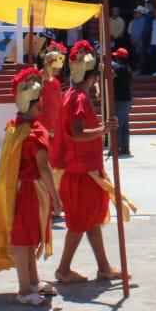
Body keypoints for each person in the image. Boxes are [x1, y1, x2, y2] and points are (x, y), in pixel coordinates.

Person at [0, 67, 63, 304]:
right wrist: (56, 199)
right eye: (39, 102)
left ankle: (33, 281)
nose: (42, 106)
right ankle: (24, 289)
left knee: (30, 238)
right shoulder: (31, 132)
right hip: (29, 190)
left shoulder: (15, 126)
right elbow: (43, 168)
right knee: (23, 238)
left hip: (24, 189)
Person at [55, 41, 126, 285]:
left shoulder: (75, 96)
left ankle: (104, 267)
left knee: (91, 220)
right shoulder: (78, 99)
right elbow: (77, 133)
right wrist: (103, 129)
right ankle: (63, 269)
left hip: (86, 169)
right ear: (92, 75)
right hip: (81, 170)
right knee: (79, 223)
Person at [40, 43, 68, 180]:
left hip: (52, 122)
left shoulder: (53, 81)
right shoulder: (44, 80)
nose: (57, 72)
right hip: (44, 122)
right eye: (56, 69)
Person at [111, 48, 133, 156]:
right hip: (127, 99)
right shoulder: (128, 69)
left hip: (121, 100)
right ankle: (125, 147)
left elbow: (111, 72)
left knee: (118, 124)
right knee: (124, 125)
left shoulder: (119, 68)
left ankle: (116, 147)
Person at [128, 6, 147, 72]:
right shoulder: (135, 20)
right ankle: (137, 69)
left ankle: (141, 70)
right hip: (134, 42)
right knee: (135, 56)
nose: (135, 13)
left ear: (141, 13)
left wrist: (137, 40)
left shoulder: (144, 20)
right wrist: (132, 40)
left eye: (137, 12)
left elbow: (142, 31)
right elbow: (132, 32)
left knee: (141, 56)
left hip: (140, 42)